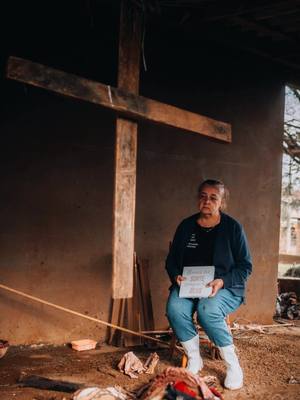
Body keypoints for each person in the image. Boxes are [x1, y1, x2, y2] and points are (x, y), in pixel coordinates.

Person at [166, 179, 252, 390]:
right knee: (174, 309)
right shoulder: (186, 226)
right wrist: (176, 275)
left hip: (222, 286)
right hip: (190, 285)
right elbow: (171, 260)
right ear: (198, 199)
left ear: (222, 202)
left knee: (208, 310)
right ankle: (195, 358)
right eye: (203, 196)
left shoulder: (232, 228)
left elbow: (245, 266)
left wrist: (222, 281)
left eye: (213, 197)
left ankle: (232, 365)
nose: (207, 201)